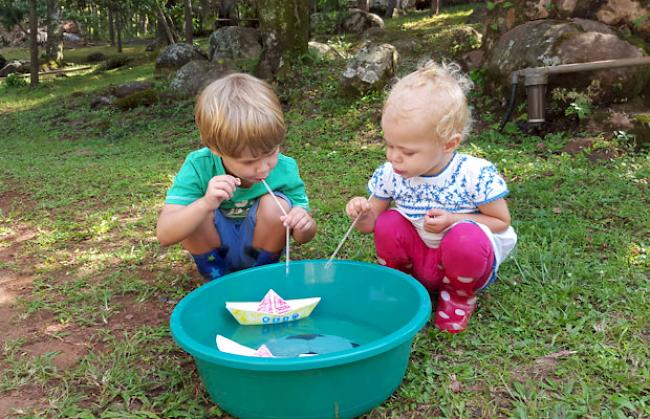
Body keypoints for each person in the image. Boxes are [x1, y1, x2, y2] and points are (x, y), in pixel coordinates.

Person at [345, 61, 517, 333]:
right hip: (419, 259)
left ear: (449, 144)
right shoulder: (391, 174)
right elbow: (371, 227)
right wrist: (363, 213)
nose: (393, 157)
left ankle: (458, 297)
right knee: (389, 222)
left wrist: (453, 219)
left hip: (464, 265)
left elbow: (500, 222)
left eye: (408, 151)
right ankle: (401, 286)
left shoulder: (474, 174)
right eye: (389, 145)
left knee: (466, 238)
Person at [157, 73, 317, 281]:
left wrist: (303, 224)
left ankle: (261, 276)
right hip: (216, 252)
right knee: (194, 211)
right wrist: (205, 203)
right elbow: (165, 235)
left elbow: (304, 237)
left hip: (261, 253)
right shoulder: (198, 167)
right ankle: (218, 281)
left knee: (275, 205)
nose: (262, 169)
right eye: (248, 162)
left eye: (271, 153)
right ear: (215, 149)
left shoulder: (286, 169)